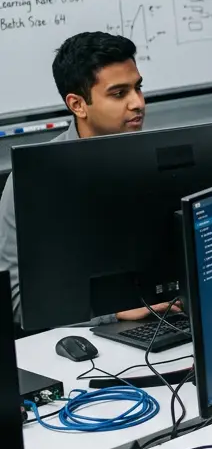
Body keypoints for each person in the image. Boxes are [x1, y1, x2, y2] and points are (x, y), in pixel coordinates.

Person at [0, 32, 157, 328]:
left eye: (138, 88)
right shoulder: (33, 181)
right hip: (87, 345)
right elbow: (17, 301)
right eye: (119, 93)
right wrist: (114, 314)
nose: (138, 103)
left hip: (167, 322)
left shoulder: (160, 159)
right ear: (78, 104)